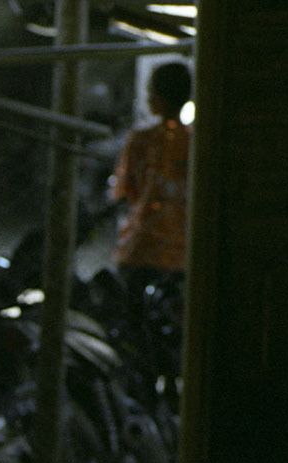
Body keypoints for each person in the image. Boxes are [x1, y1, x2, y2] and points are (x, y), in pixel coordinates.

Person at [110, 59, 193, 305]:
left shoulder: (141, 141)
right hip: (186, 254)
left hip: (142, 252)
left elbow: (125, 193)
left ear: (158, 98)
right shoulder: (198, 142)